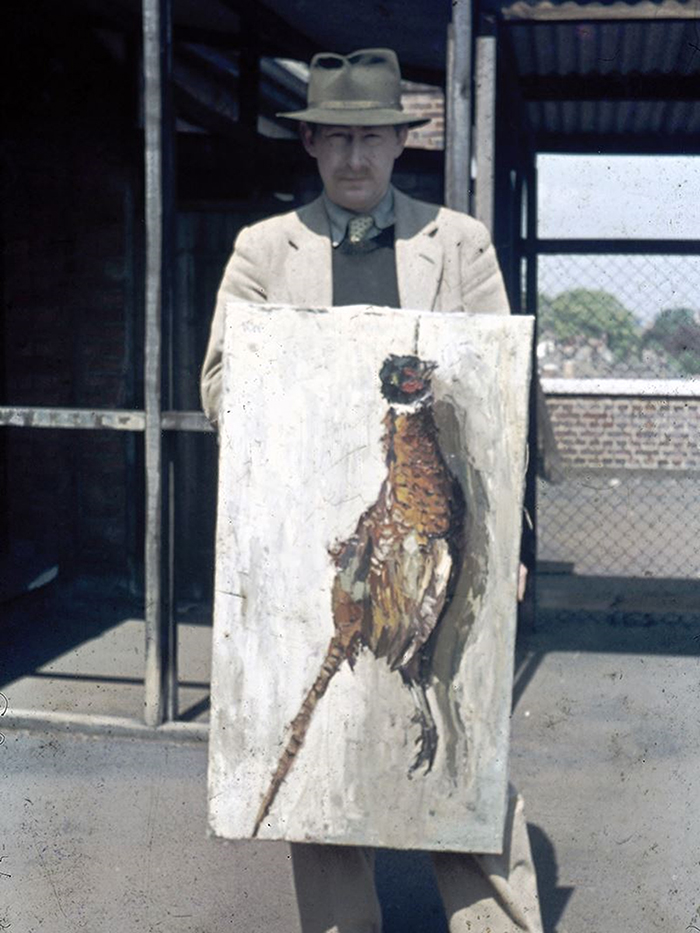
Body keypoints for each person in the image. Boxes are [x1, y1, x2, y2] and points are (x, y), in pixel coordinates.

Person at [201, 48, 543, 933]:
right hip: (338, 532)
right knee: (323, 760)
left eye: (372, 139)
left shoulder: (457, 243)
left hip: (442, 535)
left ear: (401, 144)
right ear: (310, 145)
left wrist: (510, 548)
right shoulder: (264, 250)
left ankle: (497, 925)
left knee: (467, 748)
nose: (355, 157)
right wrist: (299, 380)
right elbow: (217, 386)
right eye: (337, 138)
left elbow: (507, 405)